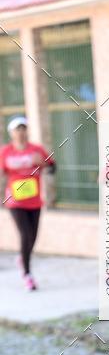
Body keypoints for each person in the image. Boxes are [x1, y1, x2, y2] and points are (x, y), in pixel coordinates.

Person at [0, 116, 55, 290]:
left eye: (24, 128)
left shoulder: (36, 150)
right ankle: (27, 274)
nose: (21, 132)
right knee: (25, 235)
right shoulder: (5, 152)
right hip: (15, 200)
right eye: (17, 129)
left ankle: (22, 258)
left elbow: (53, 167)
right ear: (11, 133)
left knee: (32, 237)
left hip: (34, 200)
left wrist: (45, 165)